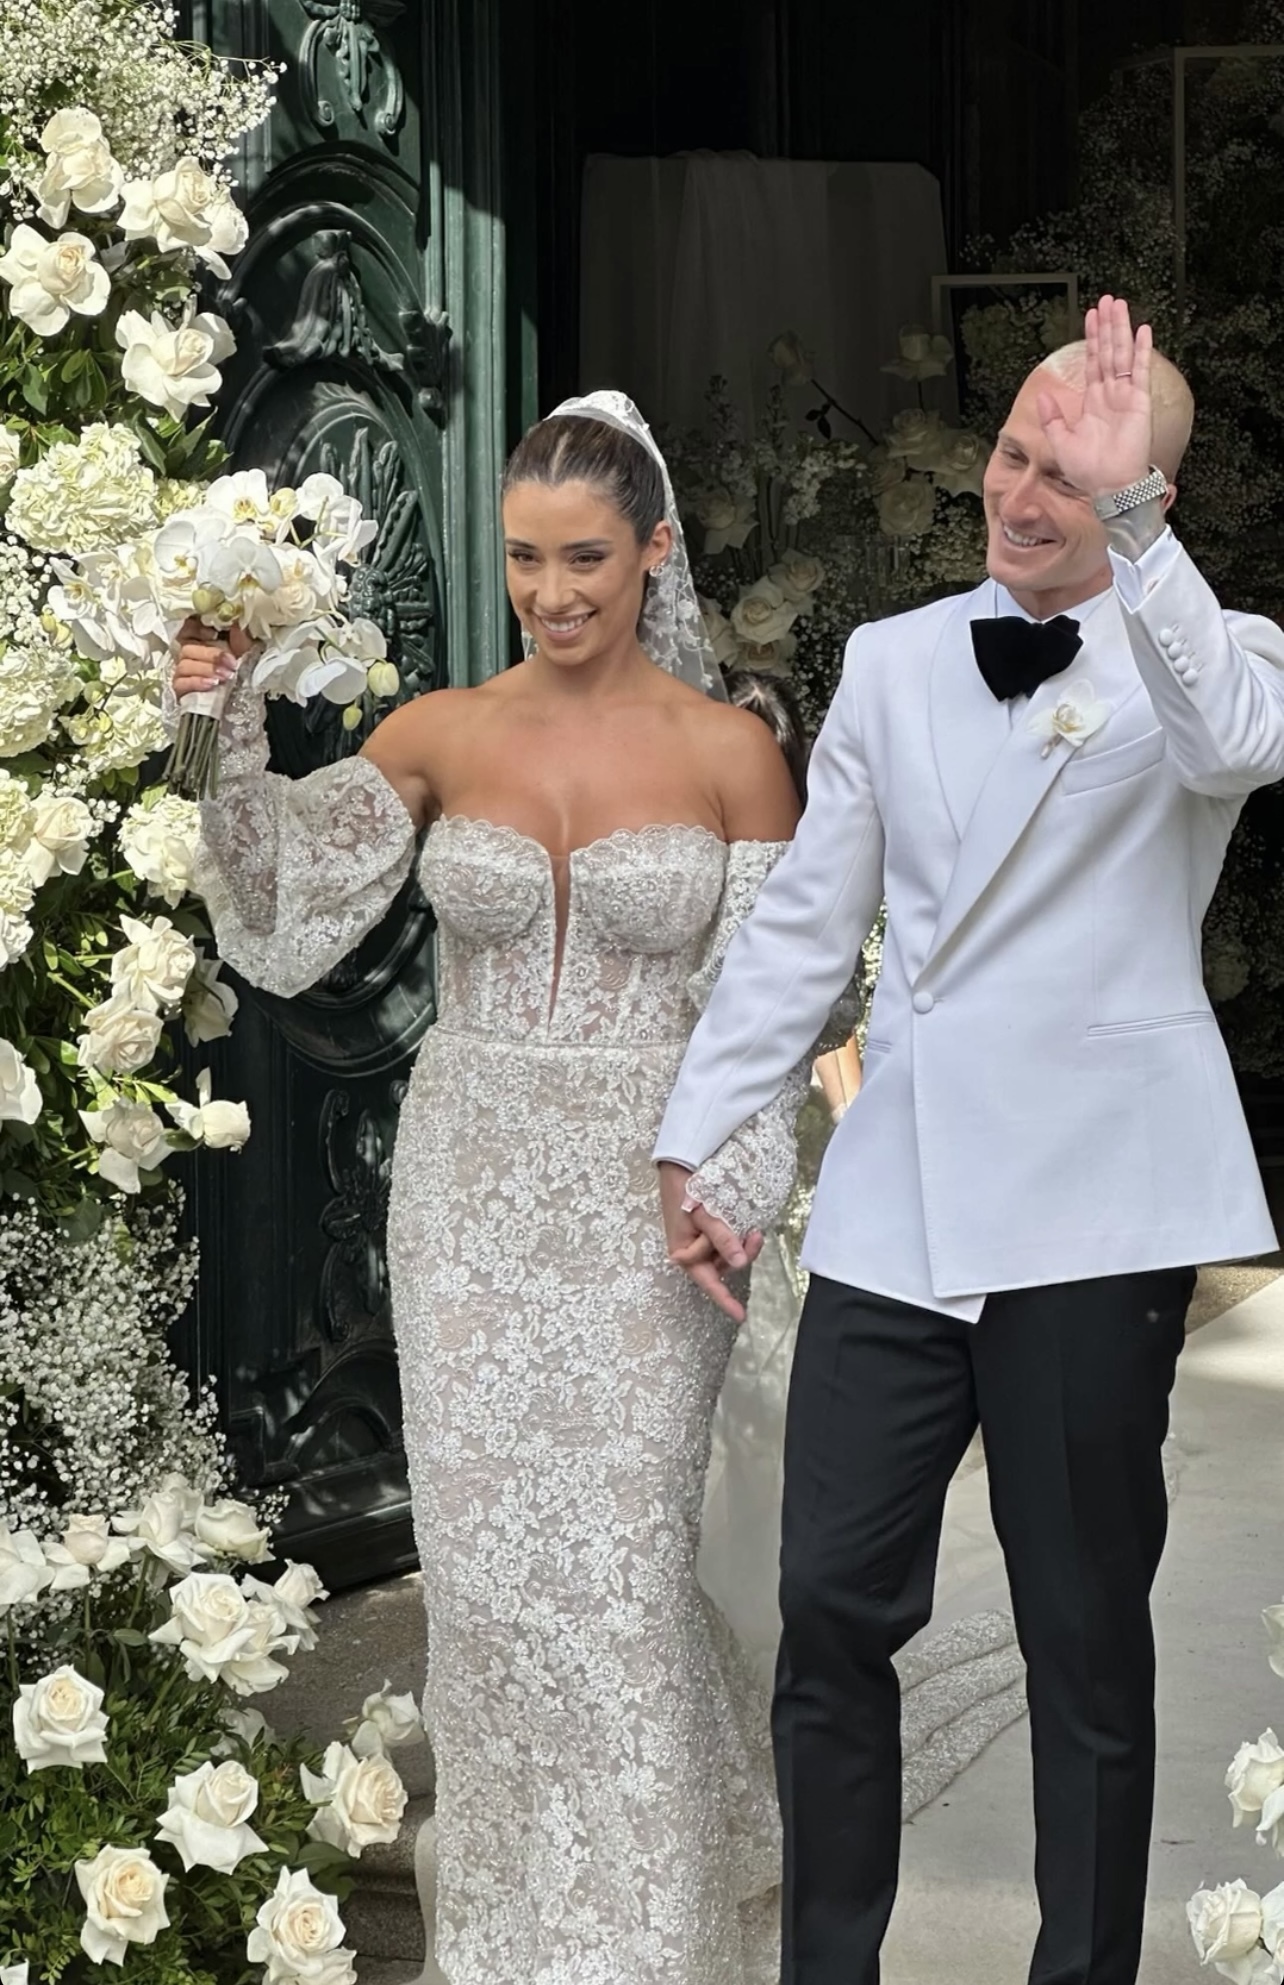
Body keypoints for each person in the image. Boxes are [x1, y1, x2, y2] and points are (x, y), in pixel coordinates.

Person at [654, 296, 1284, 1985]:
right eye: (1013, 453)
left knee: (1083, 1637)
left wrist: (1132, 525)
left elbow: (1241, 739)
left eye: (1069, 476)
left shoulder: (1212, 653)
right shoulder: (897, 656)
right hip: (900, 1207)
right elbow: (810, 920)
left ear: (1145, 498)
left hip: (1095, 1214)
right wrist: (700, 1131)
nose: (1020, 493)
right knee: (829, 1607)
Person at [171, 391, 812, 1985]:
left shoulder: (732, 752)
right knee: (493, 1592)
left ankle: (656, 1942)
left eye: (585, 556)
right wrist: (215, 723)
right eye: (525, 557)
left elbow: (775, 1010)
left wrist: (730, 1180)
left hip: (651, 1209)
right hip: (469, 1200)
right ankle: (514, 1949)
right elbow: (278, 900)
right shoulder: (442, 731)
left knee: (622, 1577)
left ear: (653, 551)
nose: (552, 590)